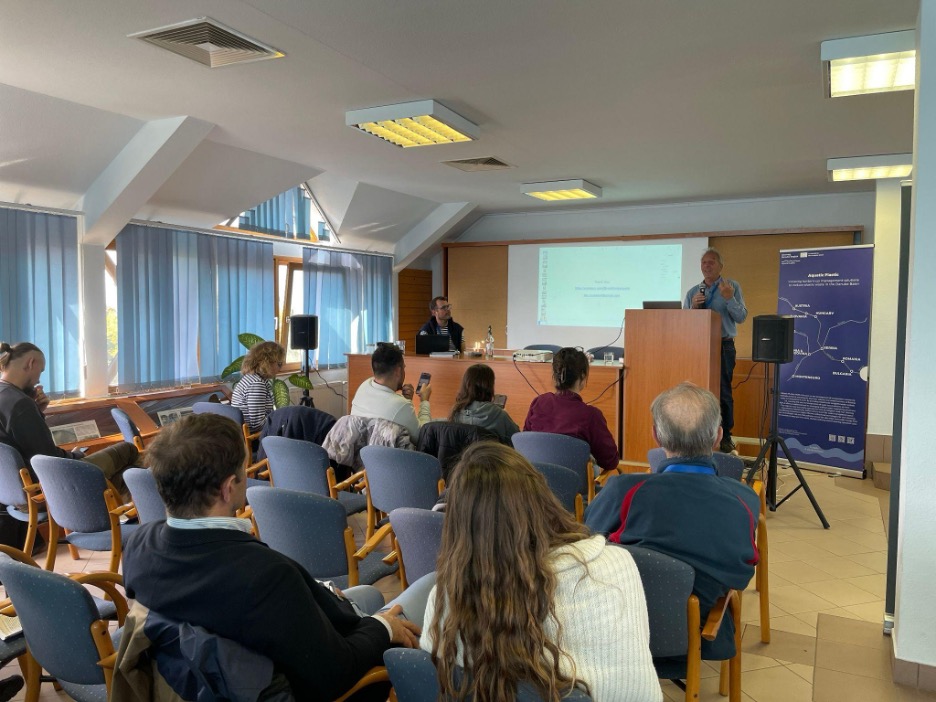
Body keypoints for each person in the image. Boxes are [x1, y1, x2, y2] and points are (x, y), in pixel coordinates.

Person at [122, 413, 423, 701]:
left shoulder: (138, 546)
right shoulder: (265, 576)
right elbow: (335, 674)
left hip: (193, 682)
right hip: (311, 685)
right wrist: (384, 627)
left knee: (368, 593)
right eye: (243, 469)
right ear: (228, 489)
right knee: (424, 591)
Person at [422, 442, 660, 702]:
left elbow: (434, 670)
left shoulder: (448, 599)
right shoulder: (617, 564)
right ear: (540, 498)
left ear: (458, 525)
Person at [585, 382, 760, 660]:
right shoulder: (745, 500)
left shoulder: (622, 490)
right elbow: (741, 574)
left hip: (619, 629)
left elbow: (585, 544)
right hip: (700, 636)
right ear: (718, 438)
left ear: (656, 436)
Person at [0, 342, 137, 484]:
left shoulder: (9, 398)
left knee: (116, 474)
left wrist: (37, 411)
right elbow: (49, 458)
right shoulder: (21, 404)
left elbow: (23, 441)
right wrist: (77, 454)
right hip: (51, 482)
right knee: (128, 450)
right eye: (40, 371)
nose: (39, 380)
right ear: (31, 363)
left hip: (14, 487)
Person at [683, 247, 748, 453]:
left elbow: (741, 317)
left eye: (711, 262)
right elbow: (683, 323)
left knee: (723, 391)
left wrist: (729, 298)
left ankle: (726, 435)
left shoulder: (732, 287)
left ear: (721, 266)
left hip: (723, 345)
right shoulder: (693, 292)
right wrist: (692, 309)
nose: (706, 266)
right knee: (697, 390)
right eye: (703, 263)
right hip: (698, 346)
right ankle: (699, 433)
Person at [523, 347, 619, 473]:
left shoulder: (539, 403)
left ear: (555, 375)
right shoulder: (591, 415)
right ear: (583, 376)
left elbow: (526, 442)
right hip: (576, 489)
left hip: (537, 485)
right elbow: (610, 461)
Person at [350, 342, 431, 438]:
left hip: (362, 451)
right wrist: (424, 401)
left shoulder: (363, 386)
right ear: (397, 371)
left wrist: (407, 400)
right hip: (391, 452)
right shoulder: (400, 405)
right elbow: (424, 437)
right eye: (403, 368)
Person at [449, 363, 518, 443]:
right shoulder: (499, 415)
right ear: (490, 386)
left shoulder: (455, 412)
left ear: (465, 385)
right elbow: (518, 441)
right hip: (490, 455)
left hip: (463, 455)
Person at [231, 341, 286, 433]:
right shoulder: (257, 384)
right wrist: (282, 421)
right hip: (256, 438)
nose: (281, 368)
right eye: (279, 364)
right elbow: (257, 424)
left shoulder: (252, 378)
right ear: (267, 362)